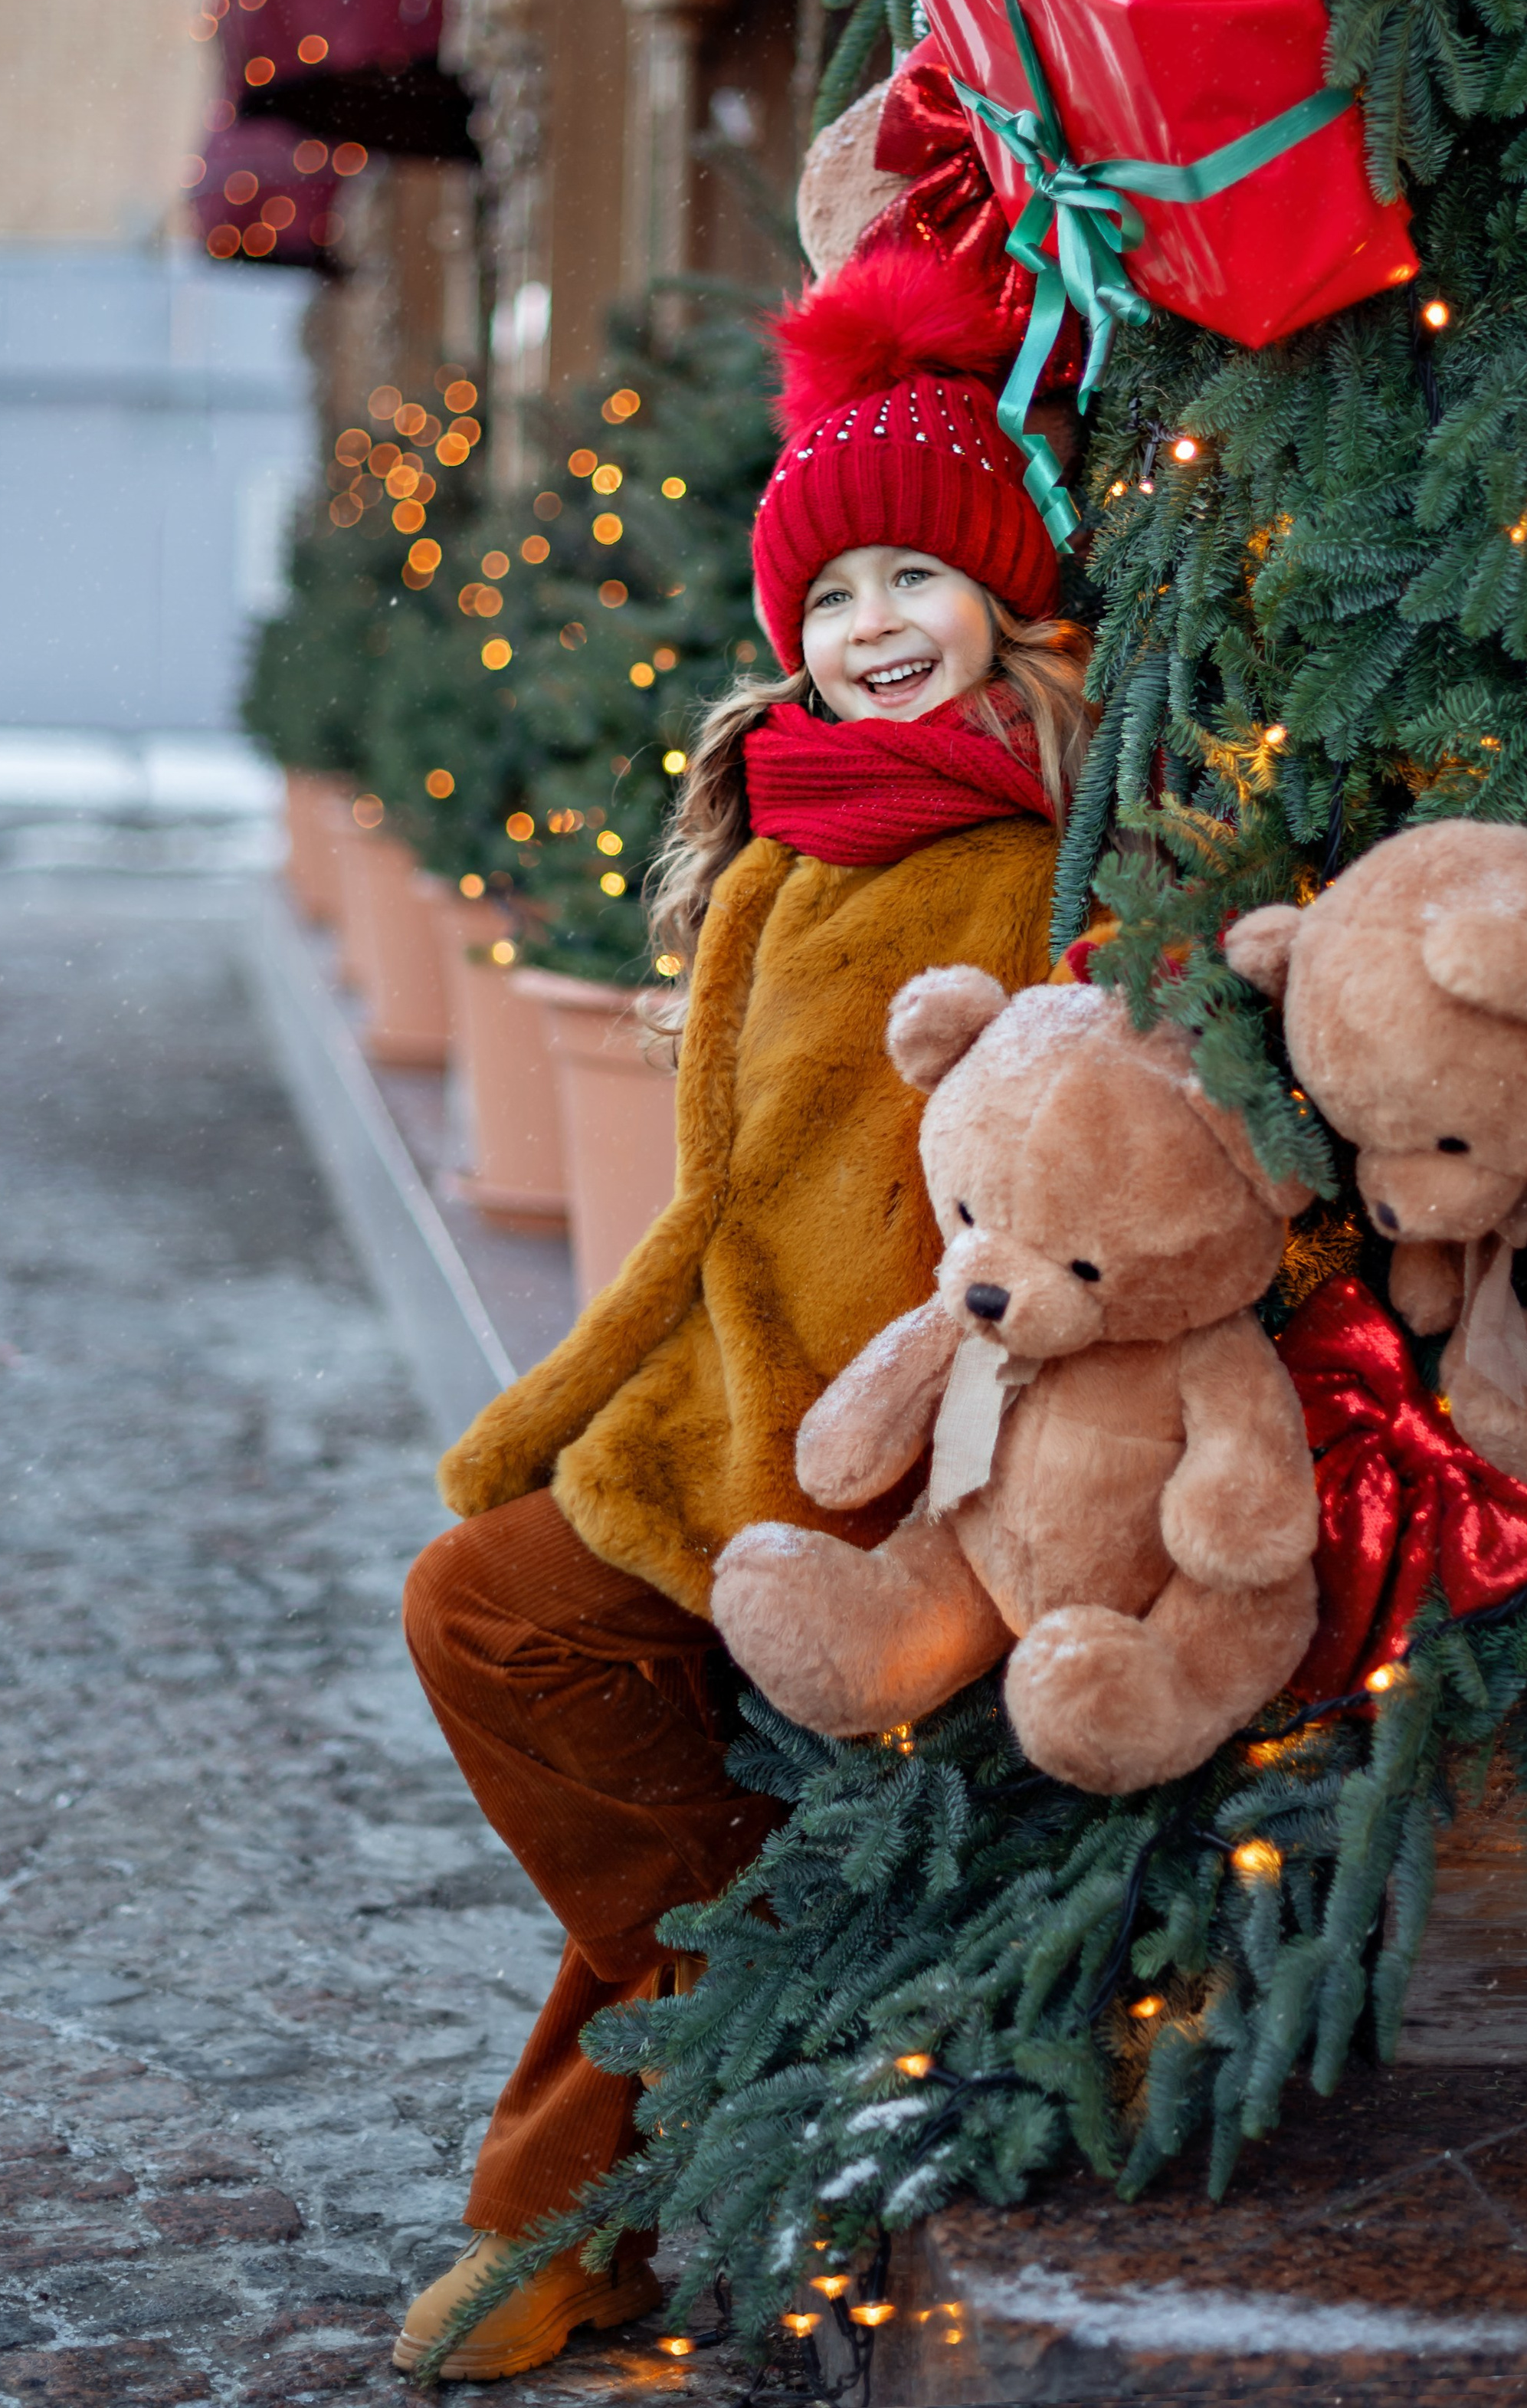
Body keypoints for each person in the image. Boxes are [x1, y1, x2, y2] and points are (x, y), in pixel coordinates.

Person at [392, 244, 1093, 2380]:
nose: (874, 628)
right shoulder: (797, 819)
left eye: (919, 579)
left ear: (1005, 596)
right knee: (492, 1614)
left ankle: (576, 2204)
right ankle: (685, 2022)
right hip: (724, 1414)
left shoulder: (1033, 844)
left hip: (883, 1467)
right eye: (835, 592)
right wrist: (575, 1407)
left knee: (520, 1641)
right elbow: (710, 1204)